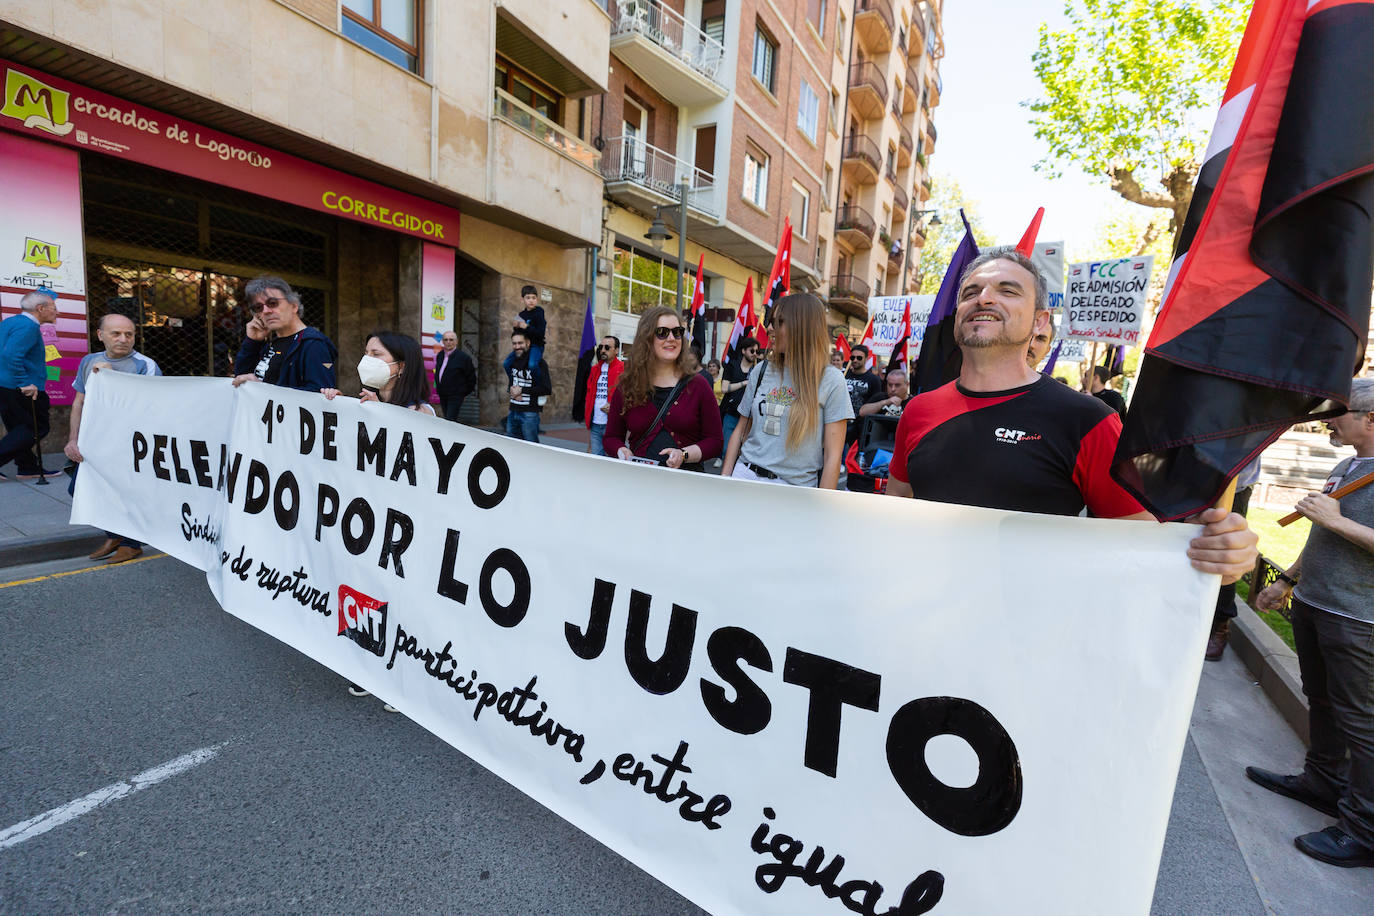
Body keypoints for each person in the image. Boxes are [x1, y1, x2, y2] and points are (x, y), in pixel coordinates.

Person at [884, 246, 1256, 583]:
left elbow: (1149, 546)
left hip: (1026, 639)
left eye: (1007, 290)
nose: (984, 298)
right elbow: (893, 514)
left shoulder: (1087, 420)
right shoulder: (918, 411)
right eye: (971, 292)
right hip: (925, 626)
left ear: (1040, 322)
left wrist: (1223, 556)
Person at [1250, 379, 1374, 868]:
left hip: (1359, 618)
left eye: (1339, 411)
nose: (1328, 419)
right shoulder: (1348, 466)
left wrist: (1337, 520)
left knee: (1362, 724)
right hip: (1318, 604)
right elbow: (1322, 533)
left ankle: (1364, 831)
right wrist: (1287, 581)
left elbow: (1335, 524)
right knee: (1322, 701)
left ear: (1371, 417)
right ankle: (1323, 782)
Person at [721, 293, 852, 488]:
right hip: (745, 477)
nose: (770, 328)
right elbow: (740, 430)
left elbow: (833, 457)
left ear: (801, 327)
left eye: (778, 322)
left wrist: (823, 510)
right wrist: (724, 480)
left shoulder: (832, 380)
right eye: (770, 321)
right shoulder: (761, 370)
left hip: (794, 489)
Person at [64, 313, 161, 563]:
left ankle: (131, 544)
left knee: (124, 492)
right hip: (93, 441)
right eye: (116, 333)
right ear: (101, 335)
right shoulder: (89, 361)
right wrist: (73, 439)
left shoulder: (145, 365)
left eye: (129, 334)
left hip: (128, 443)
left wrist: (110, 380)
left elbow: (152, 406)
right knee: (77, 488)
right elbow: (79, 402)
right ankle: (116, 534)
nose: (123, 339)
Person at [604, 307, 722, 470]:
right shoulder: (628, 386)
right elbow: (611, 437)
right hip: (640, 482)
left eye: (677, 332)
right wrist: (621, 450)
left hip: (685, 485)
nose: (672, 338)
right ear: (647, 338)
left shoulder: (698, 385)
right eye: (662, 332)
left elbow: (715, 441)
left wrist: (683, 455)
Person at [231, 276, 337, 392]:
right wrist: (252, 342)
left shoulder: (313, 344)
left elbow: (317, 398)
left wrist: (262, 389)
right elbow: (240, 380)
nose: (266, 311)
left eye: (272, 303)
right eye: (258, 307)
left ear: (294, 306)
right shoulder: (272, 343)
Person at [0, 290, 62, 480]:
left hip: (6, 386)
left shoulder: (10, 322)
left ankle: (27, 467)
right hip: (23, 388)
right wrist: (25, 382)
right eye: (54, 307)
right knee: (36, 427)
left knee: (19, 428)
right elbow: (11, 355)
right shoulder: (28, 327)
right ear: (40, 308)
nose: (57, 312)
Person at [323, 330, 435, 416]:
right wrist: (338, 403)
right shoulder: (367, 401)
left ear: (401, 367)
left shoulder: (420, 412)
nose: (367, 359)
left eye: (376, 354)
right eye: (366, 353)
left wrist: (379, 411)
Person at [505, 326, 551, 442]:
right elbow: (512, 381)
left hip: (529, 413)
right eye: (514, 344)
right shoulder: (512, 361)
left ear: (528, 343)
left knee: (531, 447)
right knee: (511, 446)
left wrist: (522, 390)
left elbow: (546, 389)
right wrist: (512, 391)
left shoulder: (538, 363)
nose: (517, 346)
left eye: (520, 343)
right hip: (513, 411)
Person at [583, 335, 623, 456]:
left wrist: (615, 406)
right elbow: (589, 395)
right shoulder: (595, 369)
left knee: (612, 460)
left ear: (616, 350)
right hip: (595, 422)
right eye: (601, 347)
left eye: (607, 347)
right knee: (596, 459)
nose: (603, 350)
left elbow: (628, 395)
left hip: (612, 424)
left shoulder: (623, 368)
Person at [719, 336, 759, 451]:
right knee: (727, 449)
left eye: (757, 351)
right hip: (731, 414)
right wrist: (744, 383)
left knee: (744, 451)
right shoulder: (732, 366)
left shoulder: (758, 370)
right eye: (752, 351)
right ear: (743, 351)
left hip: (749, 417)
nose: (754, 354)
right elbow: (724, 388)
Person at [502, 285, 546, 380]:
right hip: (523, 346)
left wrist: (527, 327)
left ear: (537, 300)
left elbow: (540, 333)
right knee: (506, 364)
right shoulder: (521, 315)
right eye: (528, 298)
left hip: (536, 345)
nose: (531, 300)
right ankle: (513, 382)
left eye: (534, 298)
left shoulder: (539, 312)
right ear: (522, 300)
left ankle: (537, 384)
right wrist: (516, 327)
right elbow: (519, 335)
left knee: (532, 365)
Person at [433, 330, 476, 421]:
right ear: (443, 341)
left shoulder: (464, 358)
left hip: (455, 395)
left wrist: (463, 393)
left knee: (450, 420)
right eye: (446, 340)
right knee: (446, 418)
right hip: (443, 394)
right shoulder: (440, 355)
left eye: (451, 340)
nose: (448, 342)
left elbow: (471, 378)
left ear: (456, 341)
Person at [844, 345, 883, 417]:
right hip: (842, 420)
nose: (855, 360)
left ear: (866, 359)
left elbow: (875, 404)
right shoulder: (844, 375)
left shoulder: (874, 380)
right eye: (853, 357)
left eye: (859, 358)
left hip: (861, 423)